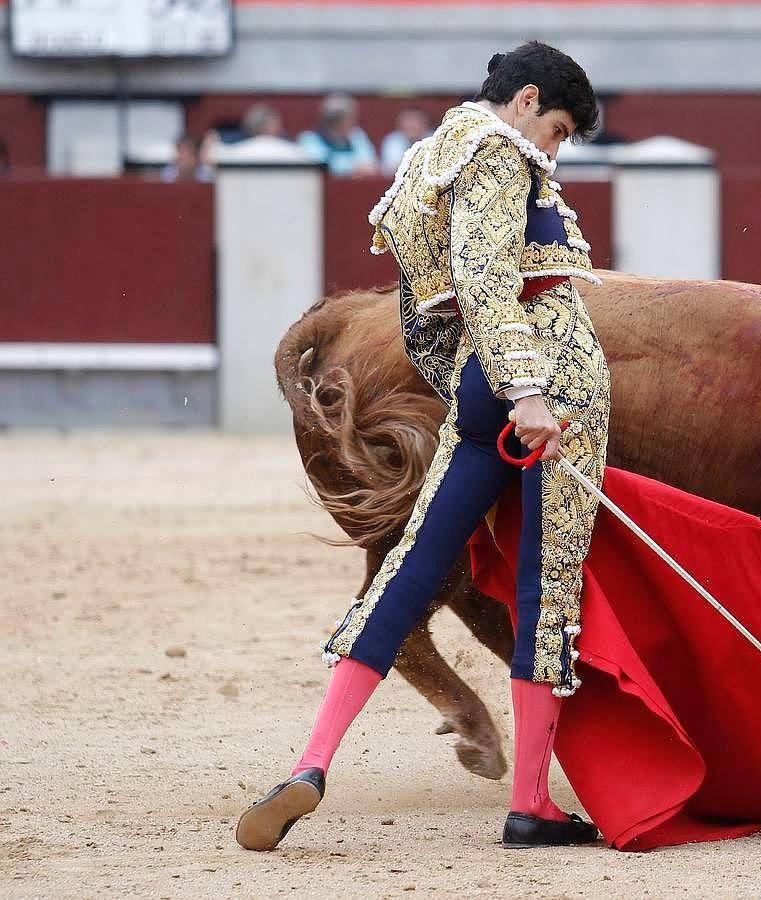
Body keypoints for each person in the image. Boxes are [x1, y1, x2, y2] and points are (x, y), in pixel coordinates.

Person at [235, 41, 609, 852]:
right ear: (526, 101)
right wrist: (530, 392)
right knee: (547, 595)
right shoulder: (503, 156)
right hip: (541, 387)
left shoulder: (429, 158)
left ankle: (311, 763)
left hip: (479, 383)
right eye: (558, 127)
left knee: (407, 571)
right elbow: (483, 278)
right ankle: (532, 804)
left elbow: (425, 303)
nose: (557, 146)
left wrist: (468, 385)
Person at [297, 93, 379, 176]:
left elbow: (370, 164)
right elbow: (322, 166)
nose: (353, 121)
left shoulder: (357, 135)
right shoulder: (309, 139)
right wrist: (353, 168)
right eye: (349, 117)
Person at [379, 105, 433, 175]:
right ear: (399, 123)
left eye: (416, 120)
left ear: (425, 123)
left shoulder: (435, 138)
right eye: (407, 120)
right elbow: (391, 168)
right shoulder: (392, 140)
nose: (411, 125)